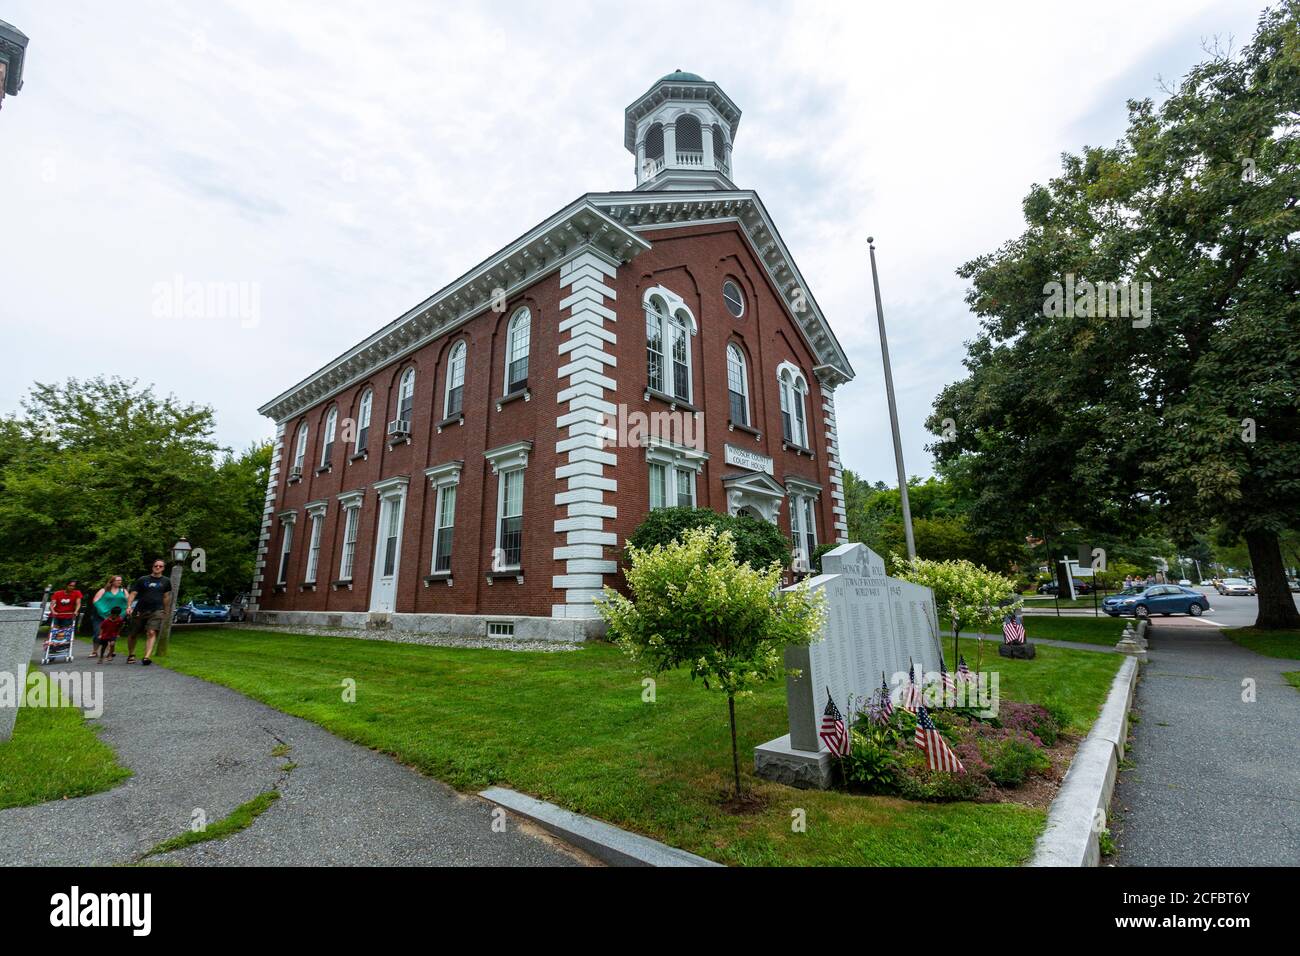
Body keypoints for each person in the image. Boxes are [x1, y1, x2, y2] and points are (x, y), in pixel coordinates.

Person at [126, 559, 172, 666]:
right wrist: (128, 606)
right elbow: (133, 593)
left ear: (163, 568)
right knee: (133, 634)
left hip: (157, 610)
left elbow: (166, 597)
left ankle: (147, 657)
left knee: (151, 632)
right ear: (152, 567)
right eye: (156, 566)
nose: (158, 568)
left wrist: (166, 611)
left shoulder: (166, 581)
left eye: (160, 566)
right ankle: (131, 654)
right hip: (140, 610)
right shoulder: (143, 579)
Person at [92, 575, 129, 659]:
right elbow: (95, 600)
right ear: (112, 581)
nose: (120, 582)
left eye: (121, 580)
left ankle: (110, 651)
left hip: (116, 616)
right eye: (118, 580)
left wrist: (127, 609)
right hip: (101, 615)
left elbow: (128, 601)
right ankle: (95, 651)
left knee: (112, 633)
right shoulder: (104, 590)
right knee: (98, 632)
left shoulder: (123, 591)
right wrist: (103, 611)